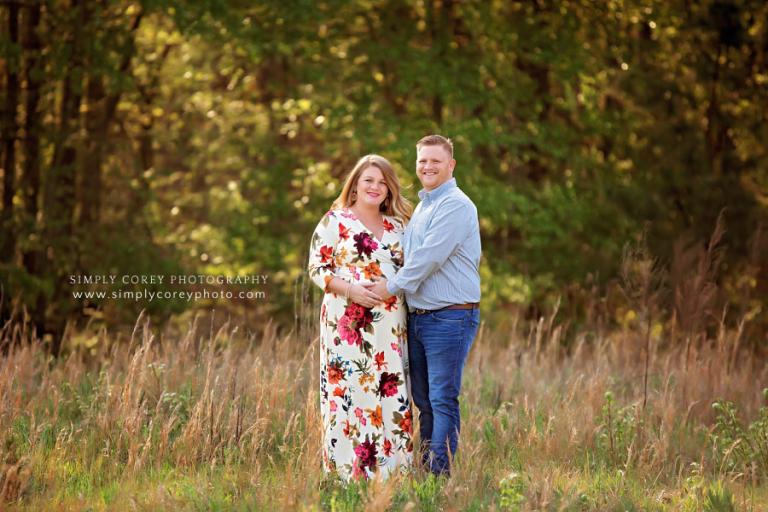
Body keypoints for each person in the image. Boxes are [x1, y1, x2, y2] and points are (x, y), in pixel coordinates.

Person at [366, 135, 481, 475]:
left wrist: (389, 287)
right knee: (425, 403)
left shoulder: (456, 205)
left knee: (443, 400)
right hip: (419, 318)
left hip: (450, 317)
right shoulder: (423, 206)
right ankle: (426, 471)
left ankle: (437, 477)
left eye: (435, 161)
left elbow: (428, 259)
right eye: (422, 161)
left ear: (451, 165)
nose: (428, 167)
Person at [307, 154, 414, 481]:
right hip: (346, 322)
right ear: (354, 184)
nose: (376, 187)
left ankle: (393, 476)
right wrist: (352, 290)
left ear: (390, 189)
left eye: (383, 182)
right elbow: (317, 268)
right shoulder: (335, 220)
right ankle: (346, 477)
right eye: (369, 180)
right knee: (350, 389)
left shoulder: (399, 226)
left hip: (390, 325)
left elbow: (412, 270)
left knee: (390, 389)